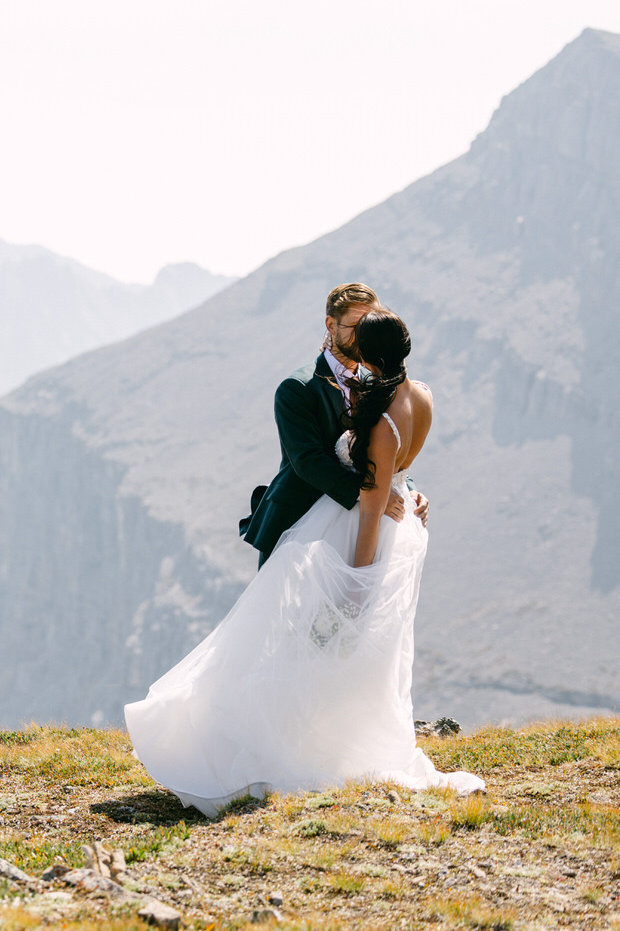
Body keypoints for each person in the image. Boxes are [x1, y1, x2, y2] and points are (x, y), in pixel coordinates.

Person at [124, 307, 484, 817]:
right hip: (365, 528)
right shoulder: (413, 392)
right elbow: (313, 461)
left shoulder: (380, 417)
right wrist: (391, 493)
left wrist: (358, 579)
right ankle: (314, 738)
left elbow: (385, 472)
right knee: (308, 643)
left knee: (320, 646)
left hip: (357, 538)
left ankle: (298, 749)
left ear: (369, 350)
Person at [239, 283, 426, 568]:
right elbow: (307, 461)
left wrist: (406, 489)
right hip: (298, 529)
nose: (364, 336)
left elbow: (387, 444)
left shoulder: (378, 384)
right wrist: (371, 496)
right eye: (355, 326)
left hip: (352, 534)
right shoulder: (297, 388)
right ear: (331, 325)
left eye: (368, 325)